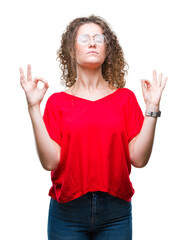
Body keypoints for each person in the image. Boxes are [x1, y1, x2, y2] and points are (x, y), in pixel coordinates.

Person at [19, 15, 168, 240]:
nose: (92, 42)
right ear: (71, 50)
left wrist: (152, 109)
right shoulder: (57, 102)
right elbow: (50, 162)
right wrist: (33, 108)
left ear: (108, 50)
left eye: (99, 38)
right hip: (66, 213)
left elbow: (139, 159)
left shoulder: (125, 99)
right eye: (85, 38)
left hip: (116, 214)